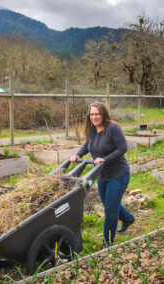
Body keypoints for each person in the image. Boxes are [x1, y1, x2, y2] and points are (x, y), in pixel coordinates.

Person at [70, 102, 135, 247]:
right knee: (109, 204)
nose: (94, 117)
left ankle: (107, 242)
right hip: (101, 174)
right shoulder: (92, 130)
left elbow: (122, 148)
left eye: (97, 114)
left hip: (118, 173)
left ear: (103, 114)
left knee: (110, 210)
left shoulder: (113, 128)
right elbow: (87, 145)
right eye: (92, 114)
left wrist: (105, 159)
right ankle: (128, 219)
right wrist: (77, 154)